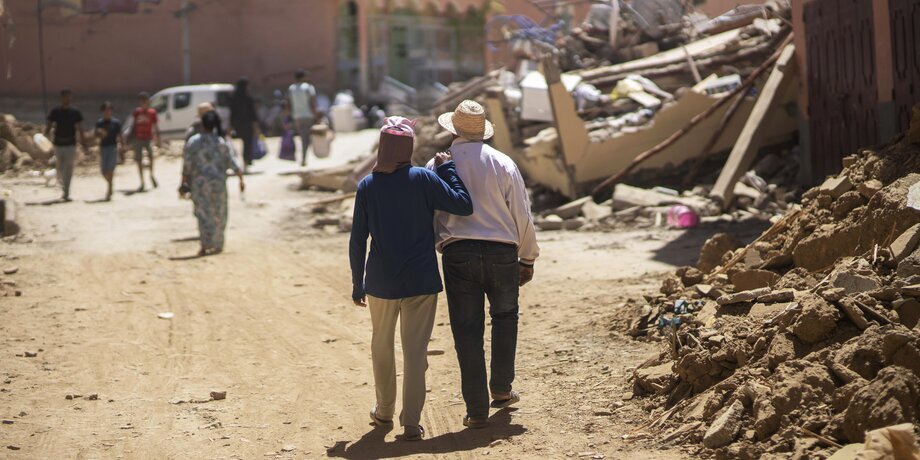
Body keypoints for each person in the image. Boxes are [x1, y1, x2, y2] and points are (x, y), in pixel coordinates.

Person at [349, 117, 473, 441]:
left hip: (380, 283)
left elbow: (357, 240)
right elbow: (463, 205)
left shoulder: (367, 186)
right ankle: (412, 423)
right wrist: (447, 169)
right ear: (408, 147)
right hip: (420, 281)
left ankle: (383, 411)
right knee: (416, 353)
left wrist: (357, 283)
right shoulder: (423, 179)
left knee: (381, 347)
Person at [426, 100, 539, 429]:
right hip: (502, 252)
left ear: (452, 129)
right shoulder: (502, 162)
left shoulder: (437, 165)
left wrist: (435, 247)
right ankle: (501, 388)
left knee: (467, 330)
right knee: (505, 318)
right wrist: (528, 257)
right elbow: (521, 213)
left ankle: (476, 410)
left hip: (458, 253)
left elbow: (430, 213)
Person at [180, 111, 245, 256]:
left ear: (202, 124)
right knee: (219, 213)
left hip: (199, 185)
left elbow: (187, 165)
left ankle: (205, 244)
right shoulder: (221, 142)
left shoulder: (194, 142)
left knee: (203, 214)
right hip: (218, 184)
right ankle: (218, 243)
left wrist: (183, 183)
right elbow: (233, 163)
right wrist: (241, 179)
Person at [45, 90, 86, 201]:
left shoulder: (75, 112)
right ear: (61, 98)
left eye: (68, 96)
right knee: (60, 168)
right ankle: (63, 185)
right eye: (64, 97)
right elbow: (49, 124)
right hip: (58, 144)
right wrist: (45, 135)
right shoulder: (56, 111)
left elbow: (80, 128)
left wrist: (84, 142)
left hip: (70, 144)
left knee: (69, 167)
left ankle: (66, 191)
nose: (66, 99)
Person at [129, 92, 161, 191]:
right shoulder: (137, 112)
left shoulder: (152, 113)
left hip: (148, 138)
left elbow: (155, 126)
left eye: (145, 101)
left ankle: (151, 174)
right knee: (139, 160)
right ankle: (142, 181)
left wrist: (158, 139)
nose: (143, 103)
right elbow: (133, 125)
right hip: (138, 138)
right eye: (141, 101)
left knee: (151, 156)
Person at [94, 102, 125, 201]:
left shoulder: (116, 123)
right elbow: (96, 135)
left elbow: (120, 136)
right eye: (106, 110)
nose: (107, 112)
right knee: (103, 171)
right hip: (103, 148)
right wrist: (100, 134)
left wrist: (122, 148)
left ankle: (109, 189)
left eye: (109, 110)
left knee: (110, 169)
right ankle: (111, 184)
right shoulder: (99, 123)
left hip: (113, 148)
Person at [287, 69, 318, 167]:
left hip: (297, 116)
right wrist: (316, 114)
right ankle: (304, 158)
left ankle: (303, 156)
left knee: (303, 136)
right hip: (308, 115)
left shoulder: (291, 88)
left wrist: (290, 115)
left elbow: (289, 103)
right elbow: (312, 102)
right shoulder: (308, 87)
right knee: (306, 137)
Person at [230, 77, 259, 172]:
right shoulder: (248, 98)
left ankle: (240, 163)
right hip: (247, 125)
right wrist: (256, 127)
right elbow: (253, 114)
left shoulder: (234, 98)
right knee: (247, 144)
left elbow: (232, 113)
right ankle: (246, 163)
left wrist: (231, 126)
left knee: (240, 144)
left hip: (237, 125)